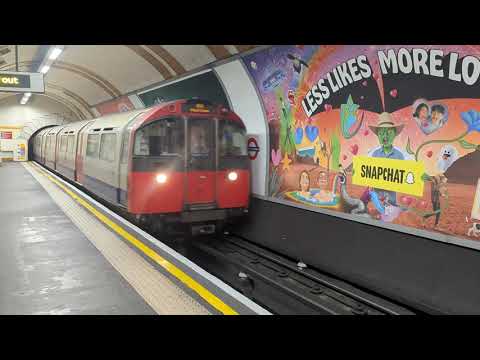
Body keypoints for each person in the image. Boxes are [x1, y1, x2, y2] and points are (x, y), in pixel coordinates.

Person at [368, 112, 406, 206]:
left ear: (394, 134)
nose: (385, 136)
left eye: (388, 132)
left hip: (391, 202)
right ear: (378, 136)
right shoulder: (375, 154)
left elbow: (402, 179)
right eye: (381, 133)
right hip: (376, 202)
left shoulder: (399, 156)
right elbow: (371, 176)